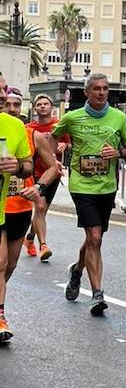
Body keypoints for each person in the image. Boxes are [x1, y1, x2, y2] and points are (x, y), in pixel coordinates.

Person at [55, 73, 126, 317]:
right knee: (95, 236)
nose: (101, 93)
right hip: (82, 186)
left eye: (105, 89)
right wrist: (54, 161)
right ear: (87, 92)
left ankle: (77, 270)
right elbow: (52, 136)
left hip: (106, 187)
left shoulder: (119, 118)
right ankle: (97, 293)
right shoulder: (72, 117)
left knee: (95, 239)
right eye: (96, 89)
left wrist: (118, 153)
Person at [2, 90, 59, 327]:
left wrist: (38, 186)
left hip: (20, 207)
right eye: (7, 104)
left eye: (17, 104)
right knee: (1, 262)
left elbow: (53, 167)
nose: (12, 108)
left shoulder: (32, 135)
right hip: (1, 209)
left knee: (10, 265)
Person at [0, 76, 33, 343]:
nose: (3, 94)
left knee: (4, 264)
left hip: (9, 209)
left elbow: (29, 165)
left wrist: (19, 168)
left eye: (5, 89)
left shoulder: (14, 126)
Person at [25, 93, 63, 261]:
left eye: (45, 103)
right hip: (34, 173)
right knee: (40, 208)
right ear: (35, 108)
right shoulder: (29, 129)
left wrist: (65, 145)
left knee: (42, 211)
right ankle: (43, 245)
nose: (42, 106)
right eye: (39, 104)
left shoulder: (59, 126)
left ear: (51, 107)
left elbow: (70, 143)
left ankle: (30, 238)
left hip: (53, 173)